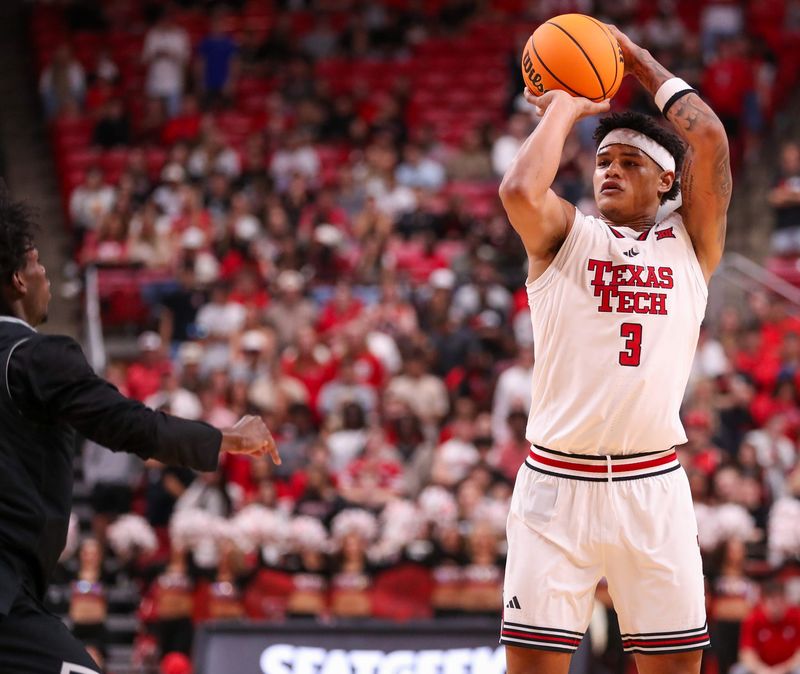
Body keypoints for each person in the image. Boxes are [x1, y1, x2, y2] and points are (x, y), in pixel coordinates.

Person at [498, 25, 731, 674]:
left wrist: (638, 61)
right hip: (555, 485)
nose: (610, 172)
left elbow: (708, 138)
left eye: (629, 163)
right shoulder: (565, 235)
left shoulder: (692, 243)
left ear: (666, 183)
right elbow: (518, 191)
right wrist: (570, 104)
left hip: (650, 483)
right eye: (603, 162)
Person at [0, 187, 280, 673]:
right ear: (19, 280)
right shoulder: (36, 355)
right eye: (38, 262)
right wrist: (226, 439)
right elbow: (125, 422)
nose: (46, 273)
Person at [731, 580, 800, 674]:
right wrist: (763, 670)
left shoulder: (796, 617)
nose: (778, 607)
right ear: (763, 602)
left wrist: (782, 669)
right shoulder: (752, 619)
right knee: (738, 670)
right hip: (762, 668)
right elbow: (747, 653)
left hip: (789, 668)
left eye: (781, 601)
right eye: (773, 602)